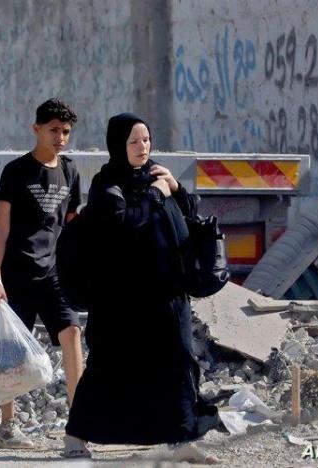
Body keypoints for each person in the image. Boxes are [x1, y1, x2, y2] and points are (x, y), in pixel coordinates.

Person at [62, 113, 219, 462]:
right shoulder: (107, 185)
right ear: (118, 145)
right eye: (133, 141)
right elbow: (124, 226)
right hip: (122, 300)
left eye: (146, 140)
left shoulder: (156, 176)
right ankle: (76, 436)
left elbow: (187, 214)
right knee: (109, 366)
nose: (142, 147)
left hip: (167, 294)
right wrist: (155, 195)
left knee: (180, 361)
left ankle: (183, 438)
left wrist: (175, 188)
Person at [0, 98, 84, 449]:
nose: (60, 138)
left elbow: (72, 223)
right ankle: (6, 427)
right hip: (17, 272)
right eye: (54, 130)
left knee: (72, 332)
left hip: (54, 271)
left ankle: (78, 426)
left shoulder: (70, 170)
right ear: (36, 129)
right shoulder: (16, 171)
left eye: (66, 131)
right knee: (10, 351)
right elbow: (0, 228)